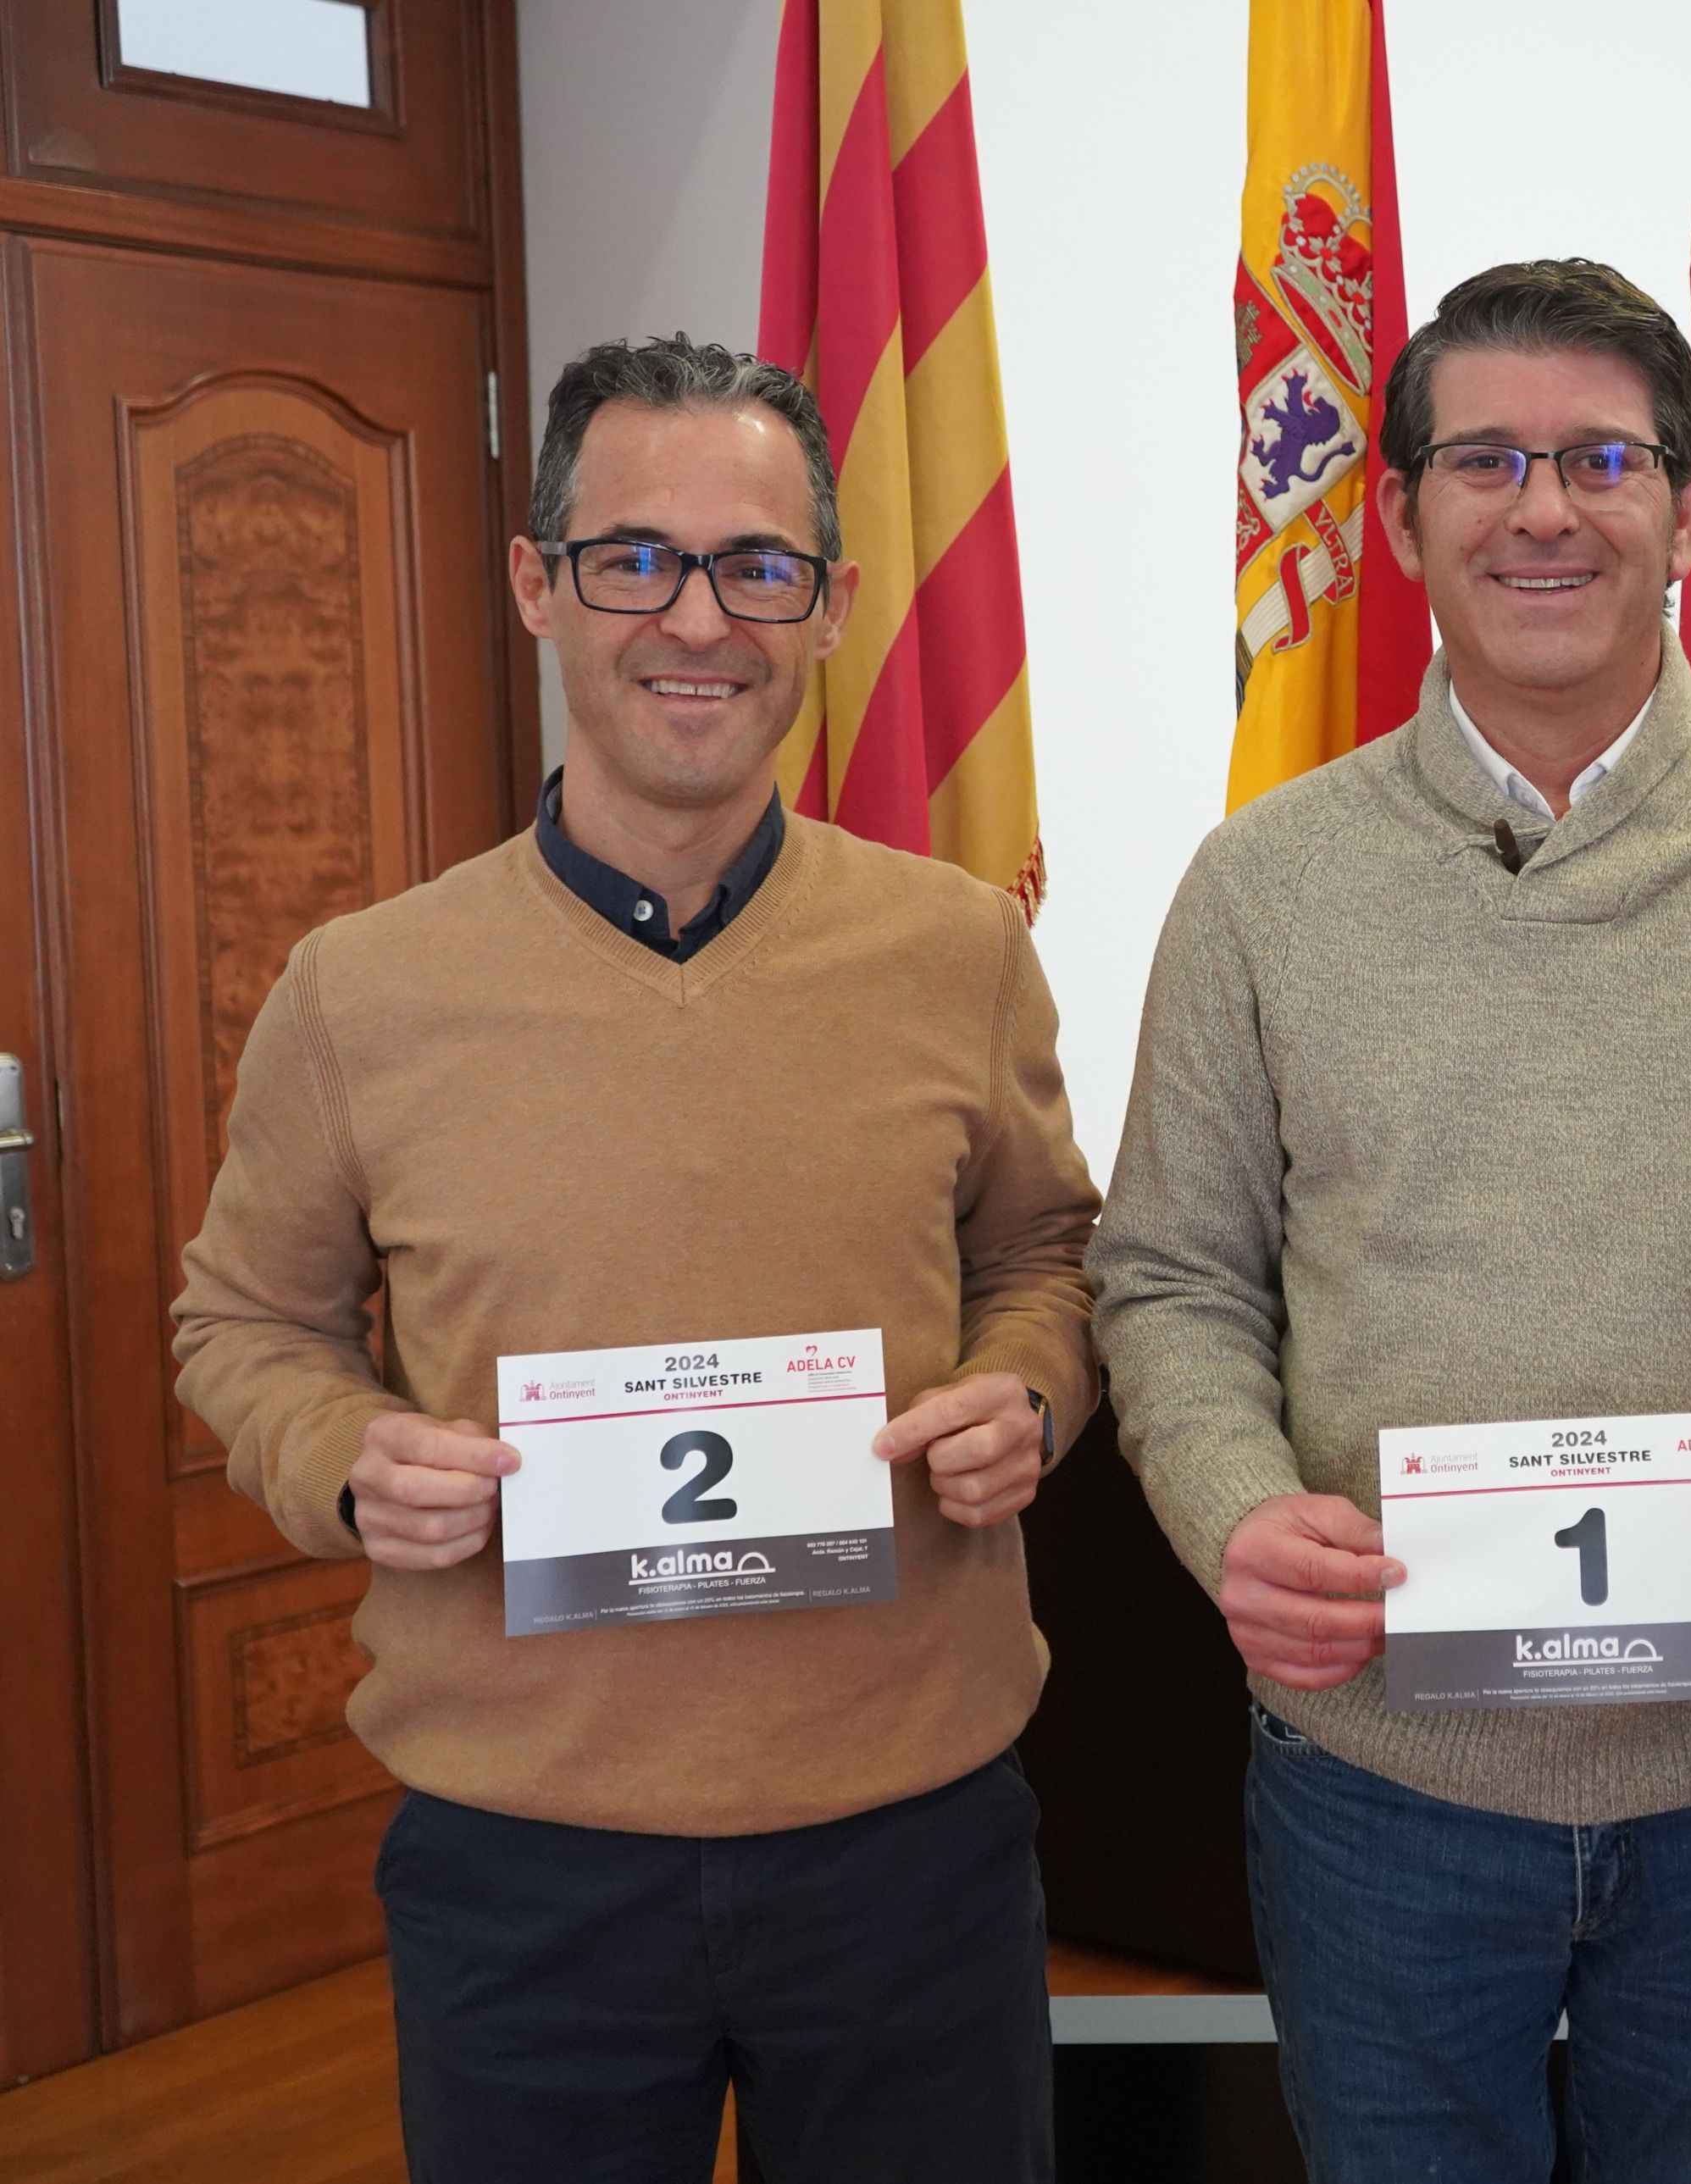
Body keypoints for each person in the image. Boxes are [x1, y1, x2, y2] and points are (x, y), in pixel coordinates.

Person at [1087, 258, 1691, 2184]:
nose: (1544, 508)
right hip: (1382, 1775)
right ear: (1400, 517)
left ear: (1688, 511)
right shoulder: (1260, 886)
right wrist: (1230, 1505)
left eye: (1603, 459)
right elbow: (1171, 1276)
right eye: (1487, 461)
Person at [170, 335, 1101, 2184]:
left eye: (754, 566)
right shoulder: (363, 990)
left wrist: (1028, 1389)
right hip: (524, 1855)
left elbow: (1045, 1258)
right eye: (635, 559)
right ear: (539, 583)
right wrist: (342, 1452)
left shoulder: (957, 951)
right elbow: (244, 1320)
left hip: (909, 1838)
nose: (696, 619)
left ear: (829, 603)